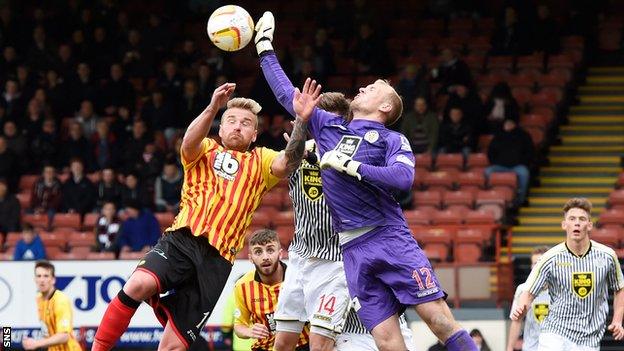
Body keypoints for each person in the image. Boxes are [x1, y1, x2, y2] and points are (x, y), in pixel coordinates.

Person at [255, 12, 477, 351]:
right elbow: (290, 96)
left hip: (388, 236)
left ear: (386, 105)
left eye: (371, 88)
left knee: (438, 320)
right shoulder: (329, 128)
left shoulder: (391, 139)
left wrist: (349, 165)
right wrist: (264, 48)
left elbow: (403, 179)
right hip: (352, 250)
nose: (362, 87)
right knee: (386, 342)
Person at [92, 79, 321, 350]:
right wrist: (213, 107)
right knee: (138, 284)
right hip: (182, 240)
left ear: (255, 134)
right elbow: (188, 142)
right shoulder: (205, 149)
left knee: (172, 347)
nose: (237, 125)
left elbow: (288, 162)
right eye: (231, 120)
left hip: (217, 261)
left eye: (246, 123)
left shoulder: (261, 160)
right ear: (221, 128)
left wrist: (302, 121)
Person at [273, 93, 415, 351]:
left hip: (337, 260)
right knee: (282, 343)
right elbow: (285, 163)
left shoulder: (357, 153)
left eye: (337, 123)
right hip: (300, 256)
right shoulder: (301, 149)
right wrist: (300, 133)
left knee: (320, 343)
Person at [511, 198, 624, 351]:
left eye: (582, 219)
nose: (577, 223)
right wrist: (522, 307)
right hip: (555, 333)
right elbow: (529, 291)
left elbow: (619, 287)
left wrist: (617, 320)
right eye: (572, 219)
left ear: (589, 225)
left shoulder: (607, 256)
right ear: (564, 225)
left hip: (589, 338)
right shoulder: (549, 258)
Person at [234, 229, 310, 350]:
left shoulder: (299, 279)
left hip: (302, 345)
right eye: (258, 252)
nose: (265, 257)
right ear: (251, 258)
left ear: (280, 254)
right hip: (264, 347)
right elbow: (239, 326)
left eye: (270, 250)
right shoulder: (242, 286)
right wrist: (249, 331)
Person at [21, 260, 82, 351]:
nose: (42, 280)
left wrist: (36, 343)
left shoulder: (61, 300)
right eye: (39, 276)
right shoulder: (39, 298)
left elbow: (64, 336)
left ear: (53, 280)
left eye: (46, 276)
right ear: (35, 279)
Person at [507, 246, 550, 351]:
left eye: (541, 263)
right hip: (531, 347)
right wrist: (509, 348)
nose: (537, 267)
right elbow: (516, 321)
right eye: (534, 263)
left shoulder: (560, 289)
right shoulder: (523, 289)